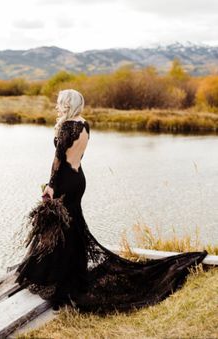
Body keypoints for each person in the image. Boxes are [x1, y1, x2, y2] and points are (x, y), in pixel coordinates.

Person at [14, 89, 208, 315]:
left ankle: (58, 275)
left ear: (67, 104)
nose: (57, 106)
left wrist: (50, 186)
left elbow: (57, 161)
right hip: (79, 178)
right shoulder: (84, 124)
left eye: (60, 103)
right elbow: (78, 156)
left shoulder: (67, 127)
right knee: (72, 224)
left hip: (65, 180)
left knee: (62, 226)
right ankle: (68, 270)